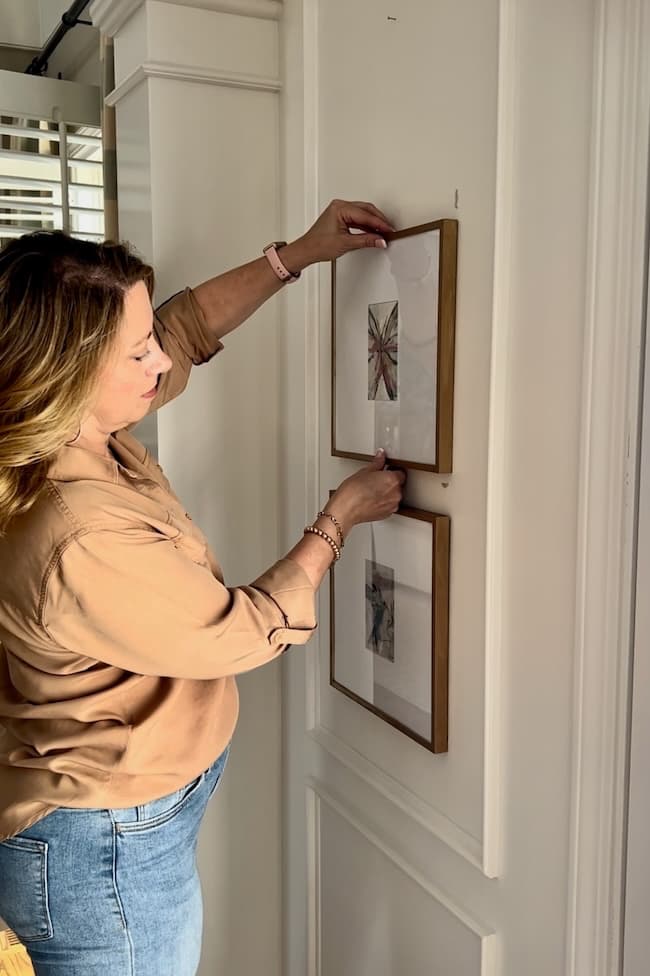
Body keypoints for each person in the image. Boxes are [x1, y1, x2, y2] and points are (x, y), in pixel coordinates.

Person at [0, 199, 406, 975]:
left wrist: (299, 255)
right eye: (136, 352)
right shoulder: (76, 531)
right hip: (104, 855)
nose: (159, 359)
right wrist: (337, 520)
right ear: (68, 374)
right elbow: (239, 630)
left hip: (115, 829)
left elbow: (184, 328)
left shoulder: (70, 429)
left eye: (148, 337)